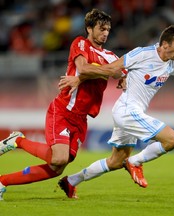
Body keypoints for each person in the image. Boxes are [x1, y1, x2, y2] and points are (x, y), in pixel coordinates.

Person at [56, 24, 174, 198]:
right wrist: (79, 79)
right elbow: (110, 68)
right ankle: (136, 162)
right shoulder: (142, 54)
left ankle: (71, 181)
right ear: (164, 44)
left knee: (116, 161)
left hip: (131, 113)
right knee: (173, 139)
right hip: (127, 110)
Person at [0, 8, 124, 201]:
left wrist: (87, 77)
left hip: (81, 119)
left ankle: (2, 181)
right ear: (89, 29)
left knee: (56, 168)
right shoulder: (80, 43)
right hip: (63, 110)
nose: (105, 33)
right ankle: (18, 141)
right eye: (101, 28)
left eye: (108, 29)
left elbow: (119, 72)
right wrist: (101, 72)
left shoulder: (109, 55)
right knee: (58, 158)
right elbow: (83, 67)